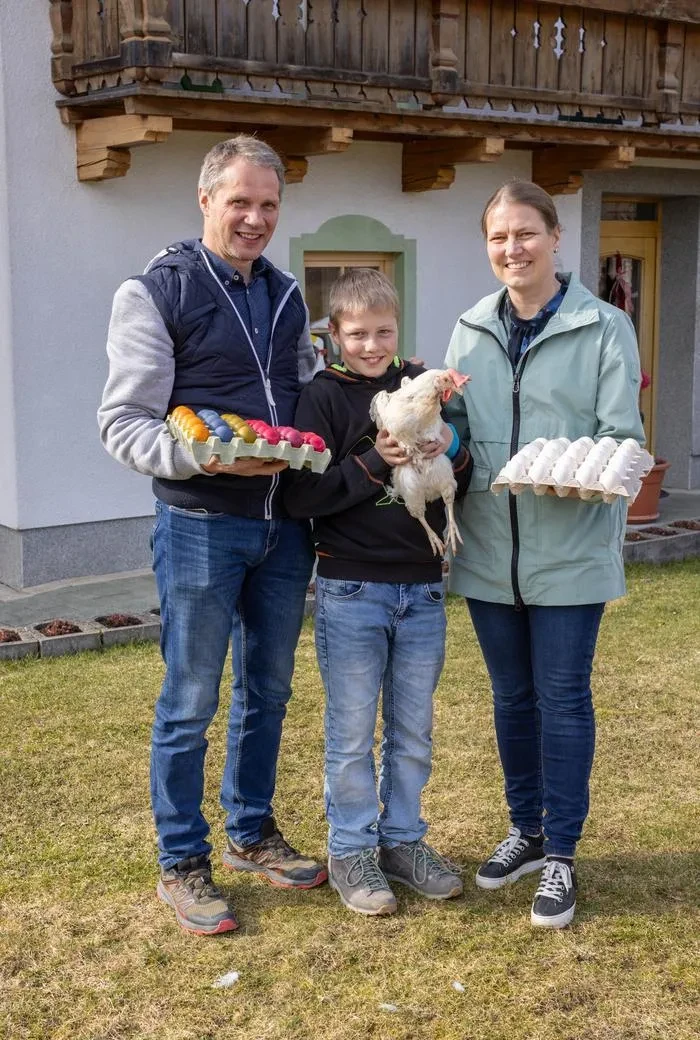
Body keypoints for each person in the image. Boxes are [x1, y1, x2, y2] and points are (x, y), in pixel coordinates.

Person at [98, 135, 327, 937]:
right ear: (206, 202)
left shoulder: (289, 295)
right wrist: (200, 459)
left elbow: (306, 401)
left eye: (269, 204)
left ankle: (251, 832)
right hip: (199, 524)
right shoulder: (157, 290)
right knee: (191, 700)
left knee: (268, 691)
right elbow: (123, 423)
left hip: (281, 528)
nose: (257, 219)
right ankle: (181, 860)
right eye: (241, 202)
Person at [443, 180, 645, 929]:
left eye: (525, 233)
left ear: (556, 237)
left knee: (563, 699)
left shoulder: (603, 326)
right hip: (492, 549)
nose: (511, 249)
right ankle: (524, 829)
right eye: (498, 237)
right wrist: (436, 439)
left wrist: (578, 466)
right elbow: (458, 430)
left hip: (569, 550)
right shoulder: (470, 328)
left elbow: (623, 434)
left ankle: (560, 852)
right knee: (510, 700)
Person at [284, 268, 470, 915]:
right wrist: (372, 463)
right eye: (357, 333)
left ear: (398, 329)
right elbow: (301, 494)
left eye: (383, 332)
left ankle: (403, 840)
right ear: (333, 334)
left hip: (421, 588)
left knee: (414, 732)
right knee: (352, 733)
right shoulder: (322, 398)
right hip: (351, 585)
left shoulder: (417, 386)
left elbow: (457, 476)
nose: (371, 344)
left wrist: (448, 444)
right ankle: (353, 849)